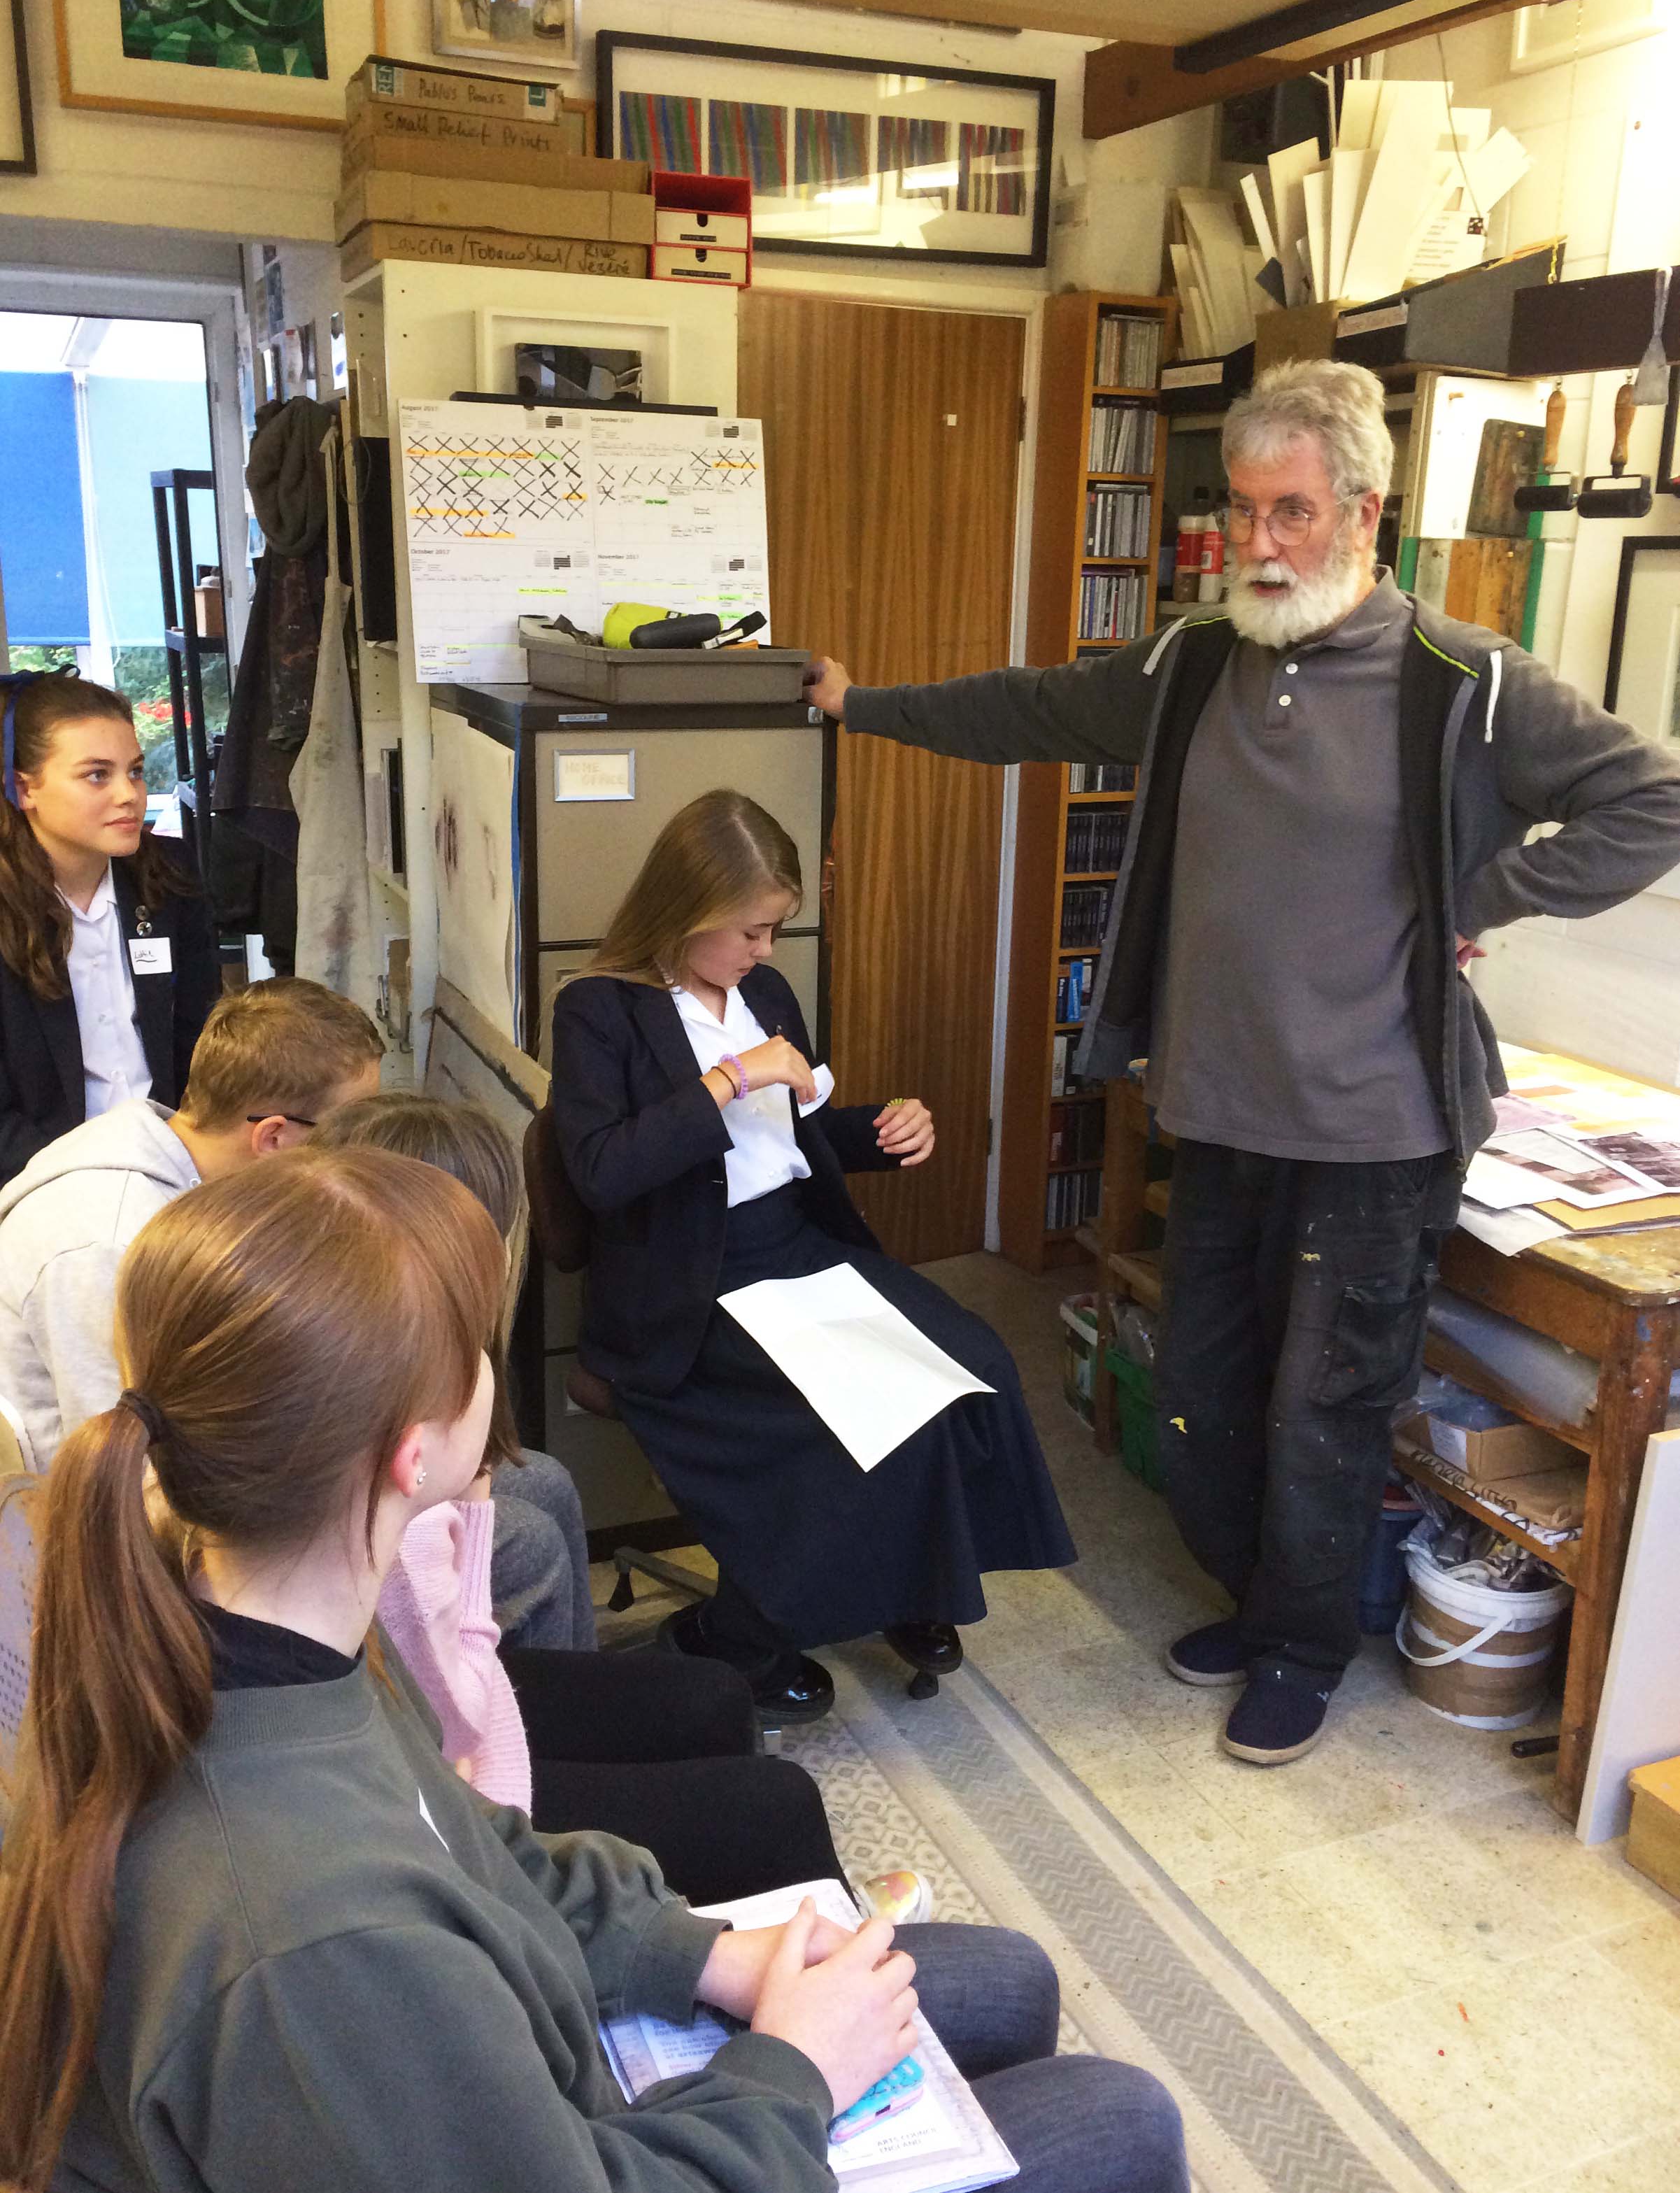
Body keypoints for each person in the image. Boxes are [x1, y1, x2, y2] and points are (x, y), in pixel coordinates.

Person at [0, 1147, 1188, 2193]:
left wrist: (704, 1955)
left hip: (522, 2082)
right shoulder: (308, 1940)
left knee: (1009, 1979)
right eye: (476, 1348)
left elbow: (479, 1850)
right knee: (1121, 2117)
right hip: (554, 2129)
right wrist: (790, 2071)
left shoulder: (271, 1640)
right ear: (411, 1454)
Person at [803, 357, 1680, 1768]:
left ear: (1363, 514)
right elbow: (1032, 708)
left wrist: (1485, 892)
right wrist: (867, 705)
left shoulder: (1462, 682)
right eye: (1240, 509)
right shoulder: (1194, 661)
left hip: (1375, 1129)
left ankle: (1300, 1648)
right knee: (1204, 1394)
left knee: (1323, 1410)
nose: (1256, 541)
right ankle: (1255, 1601)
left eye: (1291, 511)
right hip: (1215, 1109)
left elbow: (1653, 798)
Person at [315, 1091, 931, 1914]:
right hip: (472, 1809)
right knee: (775, 1801)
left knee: (713, 1694)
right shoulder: (395, 1519)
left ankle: (733, 1907)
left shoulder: (392, 1451)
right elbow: (461, 1731)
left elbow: (456, 1671)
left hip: (454, 1747)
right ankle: (736, 1927)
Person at [547, 789, 1074, 1724]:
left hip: (794, 1243)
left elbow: (798, 1130)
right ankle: (735, 1637)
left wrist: (883, 1130)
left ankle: (910, 1582)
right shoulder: (598, 1009)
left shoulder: (765, 995)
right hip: (692, 1281)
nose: (764, 951)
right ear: (686, 911)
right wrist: (730, 1076)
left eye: (773, 930)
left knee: (972, 1366)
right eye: (750, 931)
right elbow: (600, 1170)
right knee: (849, 1420)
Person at [0, 975, 382, 1468]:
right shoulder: (110, 1243)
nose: (353, 1156)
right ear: (273, 1138)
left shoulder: (190, 1172)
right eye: (345, 1135)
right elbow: (116, 1465)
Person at [313, 1092, 596, 1661]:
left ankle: (578, 1684)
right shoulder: (365, 1351)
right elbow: (397, 1491)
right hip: (349, 1531)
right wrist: (472, 1492)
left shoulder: (388, 1317)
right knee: (532, 1542)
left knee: (546, 1481)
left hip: (379, 1493)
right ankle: (526, 1702)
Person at [0, 669, 219, 1183]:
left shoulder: (169, 875)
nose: (129, 794)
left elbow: (202, 1039)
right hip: (39, 1182)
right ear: (24, 788)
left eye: (135, 771)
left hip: (174, 1162)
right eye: (97, 775)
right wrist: (87, 1181)